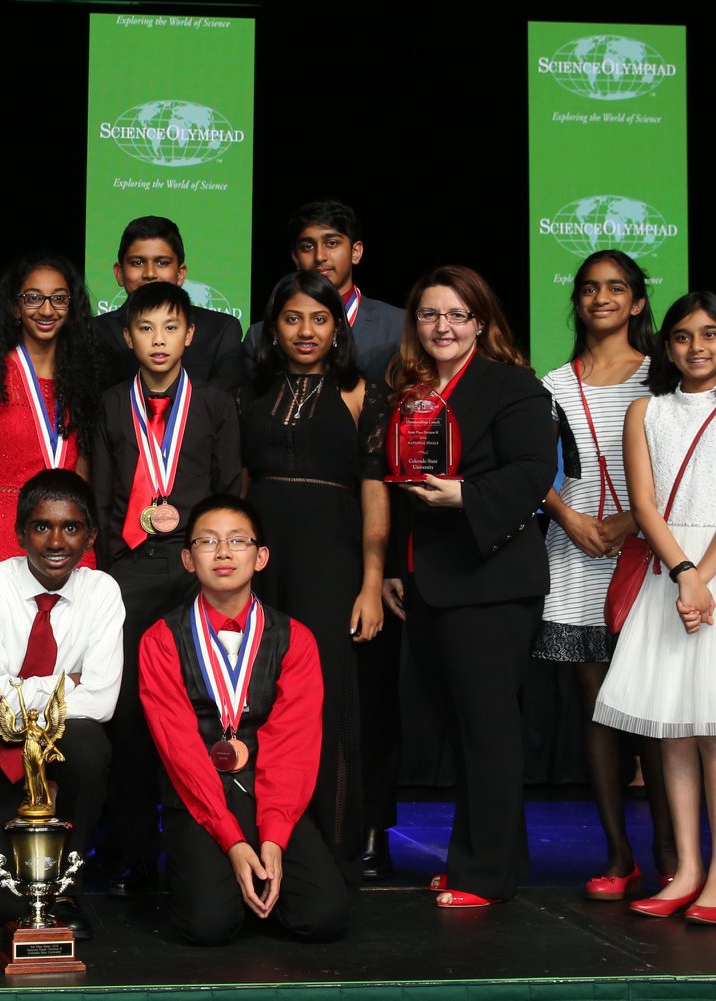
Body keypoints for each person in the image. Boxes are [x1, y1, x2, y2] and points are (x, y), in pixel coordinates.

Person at [595, 292, 716, 924]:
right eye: (682, 336)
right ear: (667, 346)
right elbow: (645, 505)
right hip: (671, 566)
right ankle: (686, 869)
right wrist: (684, 574)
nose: (697, 347)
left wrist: (700, 579)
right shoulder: (645, 410)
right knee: (672, 726)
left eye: (710, 334)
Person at [383, 265, 555, 908]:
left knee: (488, 731)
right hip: (430, 578)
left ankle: (482, 874)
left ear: (480, 322)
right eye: (430, 314)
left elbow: (535, 470)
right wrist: (397, 565)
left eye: (457, 315)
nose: (443, 327)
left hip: (492, 580)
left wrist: (467, 496)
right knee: (465, 731)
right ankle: (494, 856)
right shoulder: (411, 390)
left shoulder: (513, 384)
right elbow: (398, 486)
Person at [138, 495, 351, 943]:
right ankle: (222, 878)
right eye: (207, 541)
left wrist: (273, 837)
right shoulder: (161, 639)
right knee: (209, 925)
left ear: (261, 557)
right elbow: (179, 749)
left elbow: (292, 745)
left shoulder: (295, 639)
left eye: (237, 541)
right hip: (197, 796)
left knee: (325, 915)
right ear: (187, 559)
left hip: (270, 793)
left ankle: (254, 879)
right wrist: (232, 842)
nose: (222, 552)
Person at [92, 280, 243, 897]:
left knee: (199, 711)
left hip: (195, 571)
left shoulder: (214, 404)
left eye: (170, 328)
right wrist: (110, 570)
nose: (158, 340)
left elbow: (228, 487)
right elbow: (102, 495)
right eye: (145, 328)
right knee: (130, 716)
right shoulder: (110, 404)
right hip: (129, 573)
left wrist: (212, 558)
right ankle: (135, 850)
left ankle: (204, 842)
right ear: (127, 337)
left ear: (190, 335)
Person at [534, 250, 674, 899]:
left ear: (638, 301)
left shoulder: (662, 376)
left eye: (616, 288)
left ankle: (671, 854)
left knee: (653, 714)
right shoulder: (553, 383)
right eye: (590, 288)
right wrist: (566, 516)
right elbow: (532, 467)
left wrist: (628, 521)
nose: (601, 298)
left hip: (647, 549)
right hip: (576, 551)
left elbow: (680, 465)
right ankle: (619, 856)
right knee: (598, 713)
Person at [241, 270, 388, 886]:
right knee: (255, 694)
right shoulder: (250, 389)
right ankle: (259, 836)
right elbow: (239, 483)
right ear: (273, 328)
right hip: (259, 560)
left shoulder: (360, 390)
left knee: (324, 697)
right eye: (292, 318)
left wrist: (372, 582)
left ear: (337, 328)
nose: (306, 331)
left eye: (319, 318)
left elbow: (375, 491)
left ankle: (332, 843)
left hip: (332, 562)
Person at [0, 469, 123, 937]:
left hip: (54, 742)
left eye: (71, 527)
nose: (56, 542)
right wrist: (65, 683)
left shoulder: (102, 592)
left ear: (90, 537)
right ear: (21, 533)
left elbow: (102, 701)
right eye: (42, 526)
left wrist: (0, 714)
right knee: (3, 905)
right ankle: (21, 876)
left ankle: (65, 889)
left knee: (91, 743)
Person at [0, 254, 106, 571]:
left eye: (59, 299)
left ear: (71, 308)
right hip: (8, 527)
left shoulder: (82, 379)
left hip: (68, 529)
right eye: (33, 298)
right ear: (15, 307)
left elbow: (83, 475)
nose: (47, 310)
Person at [244, 200, 405, 386]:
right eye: (308, 246)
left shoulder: (399, 326)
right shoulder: (259, 336)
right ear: (295, 258)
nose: (320, 256)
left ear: (355, 252)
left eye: (332, 243)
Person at [94, 216, 247, 396]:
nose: (150, 273)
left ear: (180, 274)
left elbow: (219, 404)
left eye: (162, 263)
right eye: (137, 262)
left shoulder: (221, 330)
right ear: (119, 273)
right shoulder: (94, 331)